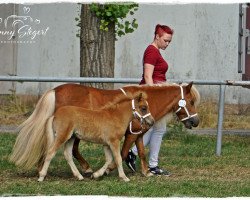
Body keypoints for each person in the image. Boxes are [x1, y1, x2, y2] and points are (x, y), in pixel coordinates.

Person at [125, 24, 174, 176]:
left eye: (169, 41)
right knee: (157, 129)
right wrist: (154, 98)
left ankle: (137, 156)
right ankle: (149, 163)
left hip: (154, 94)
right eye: (165, 40)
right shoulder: (152, 51)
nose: (167, 44)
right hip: (151, 95)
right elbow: (148, 76)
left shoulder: (155, 51)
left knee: (156, 128)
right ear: (157, 36)